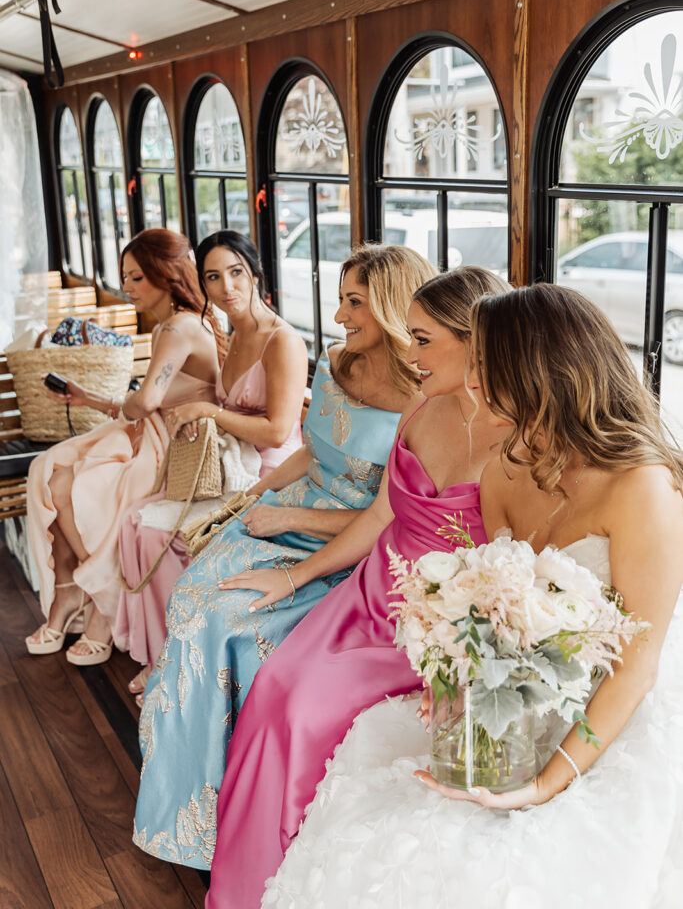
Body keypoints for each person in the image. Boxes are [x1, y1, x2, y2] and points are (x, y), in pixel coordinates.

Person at [261, 284, 683, 909]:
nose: (474, 380)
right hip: (508, 689)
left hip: (606, 705)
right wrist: (454, 681)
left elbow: (637, 663)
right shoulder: (510, 465)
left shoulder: (643, 489)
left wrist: (544, 784)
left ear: (540, 372)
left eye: (488, 366)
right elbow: (486, 597)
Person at [203, 266, 512, 907]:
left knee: (298, 709)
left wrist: (457, 665)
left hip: (431, 620)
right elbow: (380, 517)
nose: (411, 352)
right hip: (369, 590)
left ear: (472, 338)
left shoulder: (518, 441)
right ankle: (245, 886)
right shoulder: (423, 409)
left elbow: (511, 572)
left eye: (424, 340)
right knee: (273, 688)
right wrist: (294, 574)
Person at [132, 244, 436, 870]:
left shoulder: (421, 403)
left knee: (230, 625)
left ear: (390, 305)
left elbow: (386, 518)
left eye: (356, 301)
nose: (340, 313)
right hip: (285, 508)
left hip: (341, 547)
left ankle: (228, 814)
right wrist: (254, 497)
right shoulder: (334, 363)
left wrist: (286, 519)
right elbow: (309, 451)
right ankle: (182, 798)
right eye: (342, 297)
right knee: (191, 598)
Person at [114, 231, 308, 699]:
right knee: (136, 521)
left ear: (256, 274)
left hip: (271, 474)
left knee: (169, 535)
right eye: (213, 278)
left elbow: (280, 431)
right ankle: (165, 649)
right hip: (229, 464)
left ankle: (181, 659)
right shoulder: (235, 333)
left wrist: (209, 412)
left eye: (236, 273)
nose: (226, 288)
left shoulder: (281, 342)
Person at [25, 229, 222, 666]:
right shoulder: (172, 325)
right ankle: (75, 593)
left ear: (165, 275)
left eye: (136, 277)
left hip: (175, 444)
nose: (126, 287)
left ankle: (96, 598)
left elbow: (148, 401)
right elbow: (144, 402)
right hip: (150, 430)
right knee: (53, 474)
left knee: (68, 488)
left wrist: (126, 405)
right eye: (124, 277)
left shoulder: (179, 327)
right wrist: (86, 398)